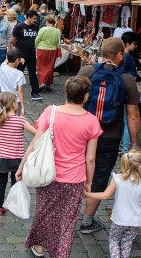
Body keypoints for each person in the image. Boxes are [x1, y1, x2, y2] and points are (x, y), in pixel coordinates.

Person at [15, 76, 101, 257]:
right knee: (67, 220)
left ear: (66, 93)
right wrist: (89, 182)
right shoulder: (92, 121)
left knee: (44, 212)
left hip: (48, 175)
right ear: (85, 97)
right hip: (75, 179)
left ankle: (38, 246)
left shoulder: (50, 112)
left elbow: (35, 144)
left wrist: (22, 165)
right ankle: (61, 252)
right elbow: (90, 158)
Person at [77, 37, 140, 234]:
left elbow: (73, 103)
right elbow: (132, 115)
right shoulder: (127, 80)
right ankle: (87, 221)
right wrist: (134, 143)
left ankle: (68, 215)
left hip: (82, 134)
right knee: (100, 176)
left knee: (74, 173)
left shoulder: (87, 71)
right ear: (120, 54)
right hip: (109, 136)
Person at [84, 149, 141, 258]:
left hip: (119, 220)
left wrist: (88, 195)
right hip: (135, 221)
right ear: (140, 167)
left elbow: (105, 195)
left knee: (114, 240)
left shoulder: (118, 179)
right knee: (127, 243)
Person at [0, 92, 37, 215]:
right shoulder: (21, 121)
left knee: (1, 182)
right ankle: (13, 204)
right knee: (15, 181)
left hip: (1, 157)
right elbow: (36, 133)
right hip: (16, 158)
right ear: (14, 105)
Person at [10, 9, 41, 101]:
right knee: (18, 73)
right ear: (28, 17)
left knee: (33, 74)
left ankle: (35, 92)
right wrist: (19, 48)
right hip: (21, 55)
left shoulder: (35, 26)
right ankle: (14, 91)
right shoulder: (19, 27)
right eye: (34, 18)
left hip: (31, 54)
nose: (35, 20)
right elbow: (12, 40)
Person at [35, 14, 60, 91]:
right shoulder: (57, 31)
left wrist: (35, 46)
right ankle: (48, 83)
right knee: (50, 67)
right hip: (52, 50)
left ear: (47, 21)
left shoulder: (43, 29)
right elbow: (58, 42)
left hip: (42, 49)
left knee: (41, 66)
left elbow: (37, 40)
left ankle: (42, 82)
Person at [0, 47, 27, 114]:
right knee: (15, 119)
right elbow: (20, 91)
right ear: (17, 60)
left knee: (4, 118)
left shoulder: (2, 67)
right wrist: (23, 106)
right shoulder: (19, 74)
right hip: (14, 100)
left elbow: (6, 60)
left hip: (3, 98)